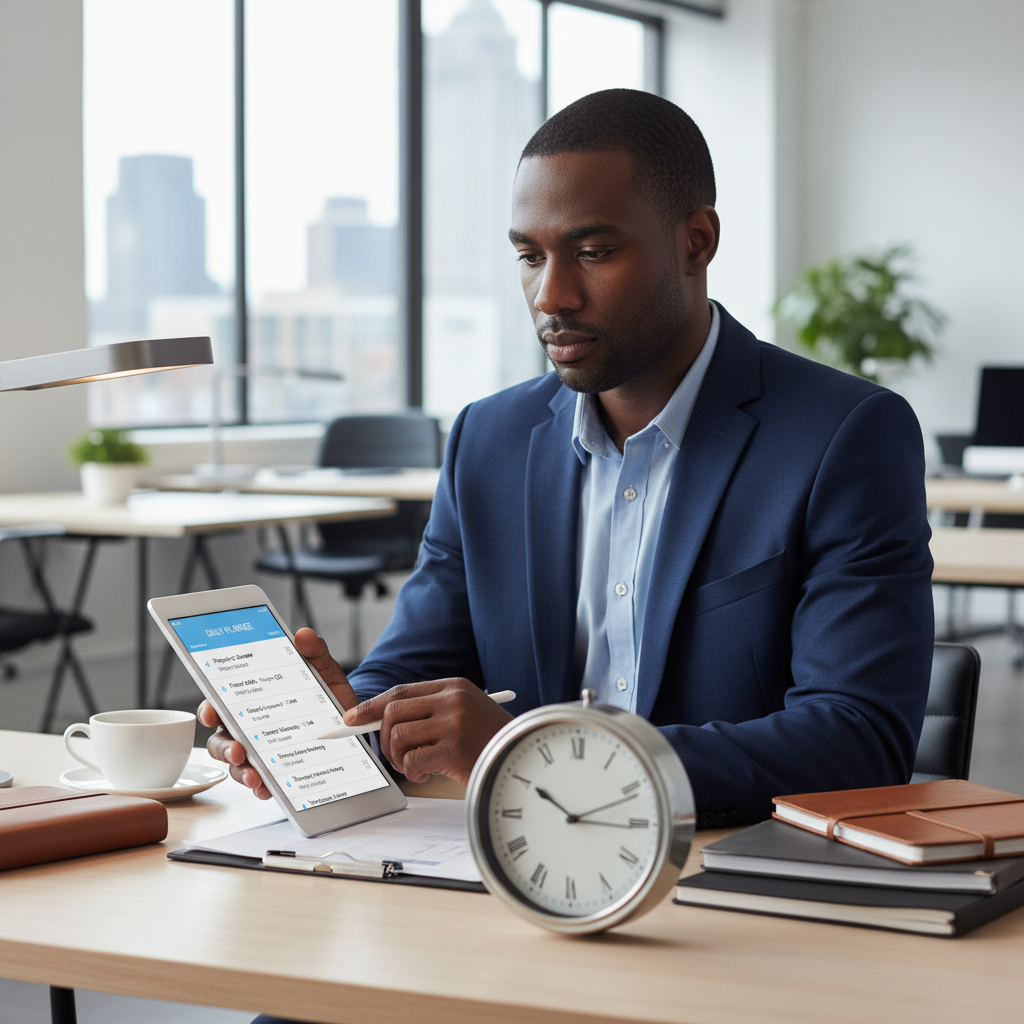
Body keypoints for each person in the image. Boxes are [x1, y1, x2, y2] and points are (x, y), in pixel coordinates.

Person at [201, 89, 934, 828]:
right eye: (529, 256)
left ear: (697, 241)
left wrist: (537, 749)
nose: (551, 295)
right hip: (513, 863)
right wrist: (342, 718)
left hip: (728, 877)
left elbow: (860, 738)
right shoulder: (488, 438)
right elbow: (421, 662)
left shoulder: (844, 435)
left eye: (593, 252)